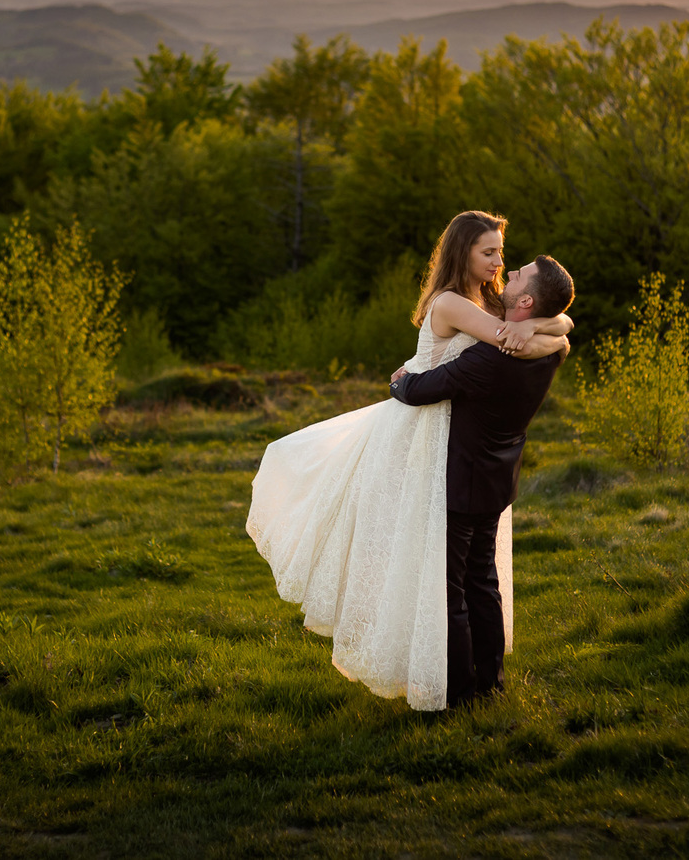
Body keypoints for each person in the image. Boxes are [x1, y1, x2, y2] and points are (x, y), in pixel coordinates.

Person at [246, 211, 571, 711]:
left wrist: (555, 324)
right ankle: (480, 685)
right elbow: (518, 332)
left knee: (457, 579)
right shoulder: (454, 304)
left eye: (503, 255)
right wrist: (556, 326)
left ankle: (467, 692)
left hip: (449, 447)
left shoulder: (488, 305)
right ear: (462, 252)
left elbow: (524, 330)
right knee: (459, 574)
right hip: (425, 442)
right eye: (489, 252)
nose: (499, 262)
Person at [390, 253, 575, 707]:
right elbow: (562, 324)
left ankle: (460, 694)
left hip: (460, 481)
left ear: (526, 300)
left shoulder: (487, 361)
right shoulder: (549, 351)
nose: (507, 271)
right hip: (498, 478)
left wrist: (397, 381)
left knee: (452, 589)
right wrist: (537, 326)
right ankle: (491, 683)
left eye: (518, 276)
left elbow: (417, 390)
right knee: (483, 582)